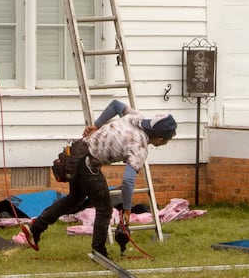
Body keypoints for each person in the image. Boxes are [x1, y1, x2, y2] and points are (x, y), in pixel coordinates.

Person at [21, 99, 176, 258]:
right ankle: (99, 251)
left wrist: (97, 125)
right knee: (104, 209)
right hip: (88, 165)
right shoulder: (139, 147)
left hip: (76, 152)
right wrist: (127, 209)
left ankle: (35, 229)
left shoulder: (134, 117)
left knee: (74, 199)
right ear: (160, 139)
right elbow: (128, 181)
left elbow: (116, 105)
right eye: (167, 141)